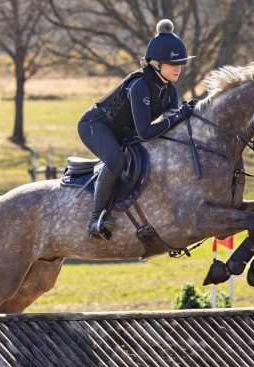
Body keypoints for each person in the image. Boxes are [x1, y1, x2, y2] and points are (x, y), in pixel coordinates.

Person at [77, 19, 196, 240]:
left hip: (124, 133)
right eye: (173, 64)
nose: (178, 68)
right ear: (155, 64)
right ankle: (96, 219)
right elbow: (145, 133)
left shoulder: (169, 89)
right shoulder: (140, 85)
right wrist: (179, 115)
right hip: (95, 126)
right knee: (117, 161)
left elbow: (171, 125)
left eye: (181, 63)